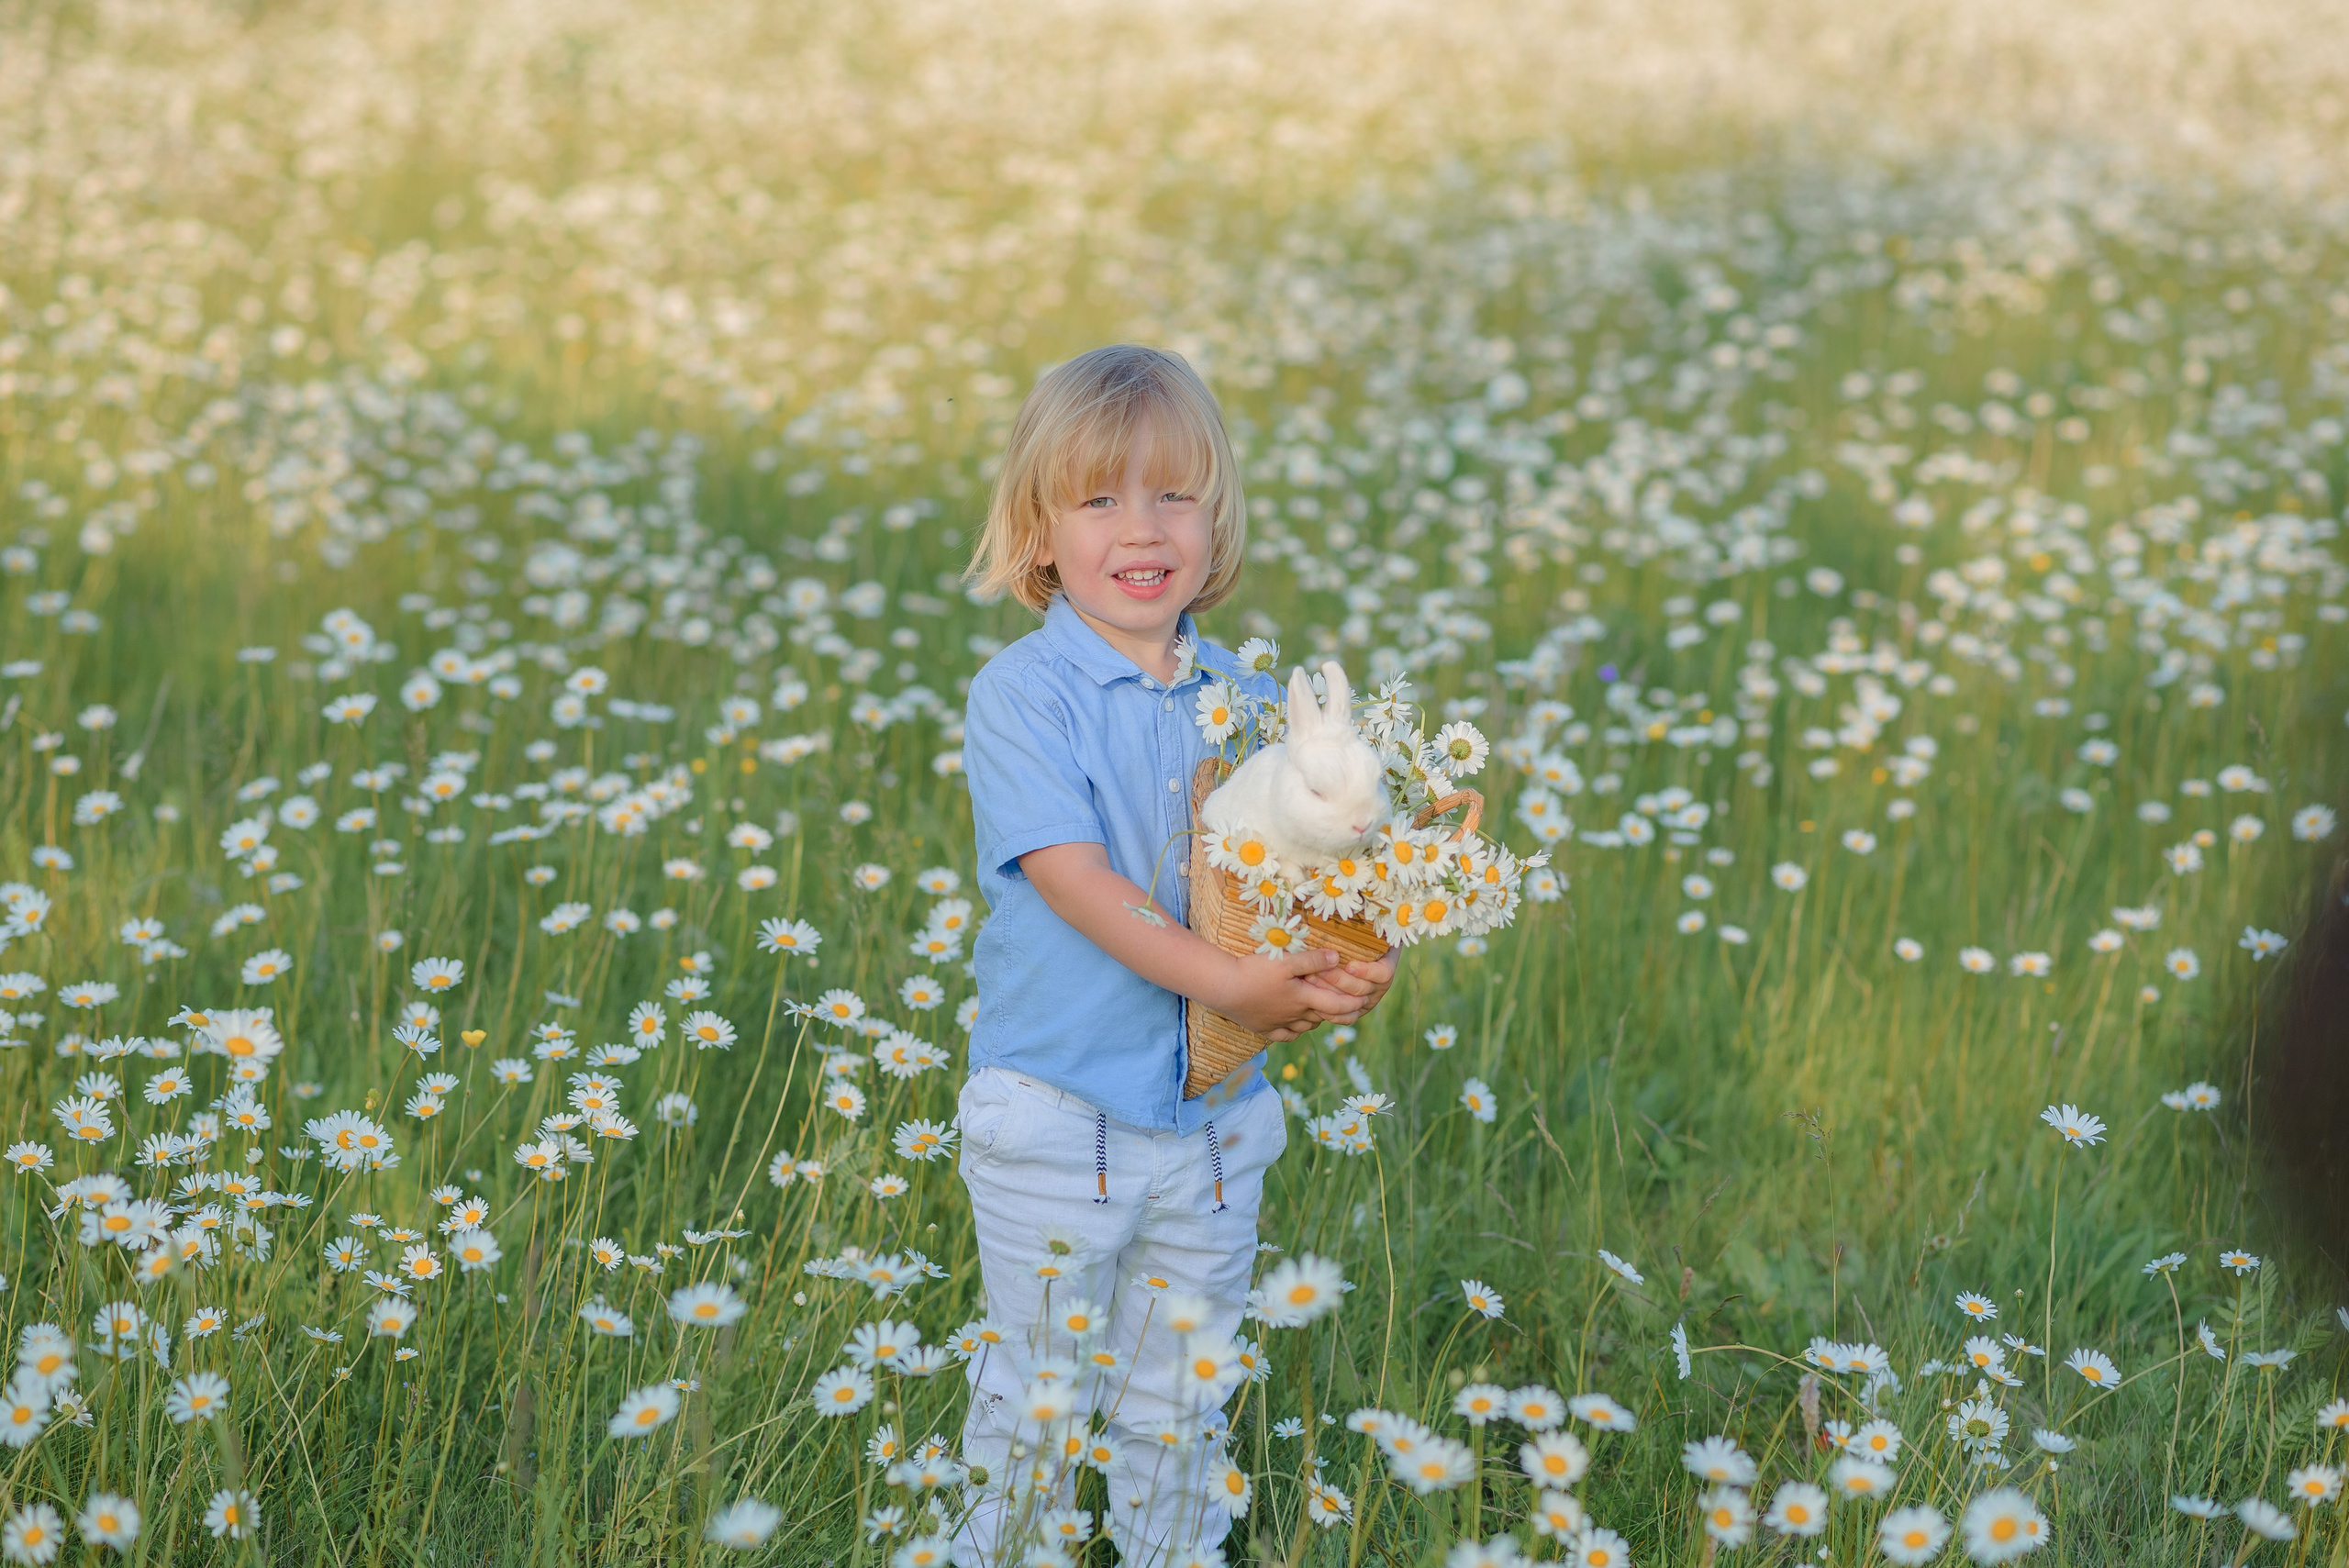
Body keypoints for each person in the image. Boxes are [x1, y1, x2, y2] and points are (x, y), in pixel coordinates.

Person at [951, 344, 1396, 1564]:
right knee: (1035, 1405)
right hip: (1057, 1118)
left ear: (1215, 514)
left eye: (1172, 493)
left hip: (1210, 1124)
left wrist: (1338, 966)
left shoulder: (1252, 702)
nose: (1140, 527)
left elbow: (1298, 886)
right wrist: (1235, 982)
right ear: (1040, 531)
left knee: (1180, 1409)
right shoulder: (1024, 697)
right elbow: (1080, 885)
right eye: (1099, 498)